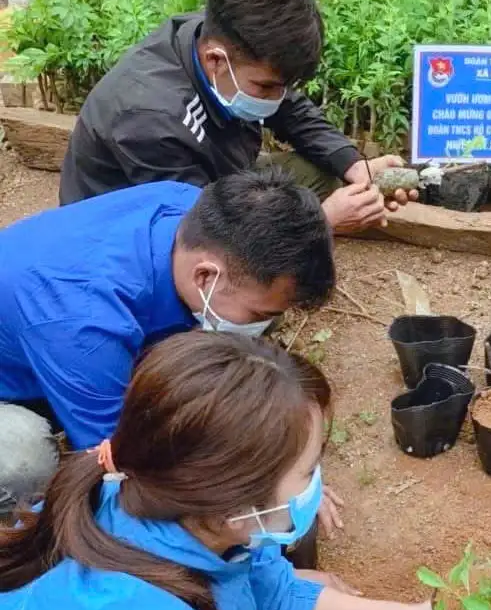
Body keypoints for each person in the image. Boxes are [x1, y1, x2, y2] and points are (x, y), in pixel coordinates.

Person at [0, 332, 491, 610]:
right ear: (234, 506)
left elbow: (269, 592)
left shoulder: (146, 496)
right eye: (309, 470)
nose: (319, 483)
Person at [0, 169, 342, 544]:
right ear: (205, 277)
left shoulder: (196, 211)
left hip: (52, 335)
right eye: (259, 315)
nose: (259, 327)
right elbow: (128, 462)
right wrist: (269, 487)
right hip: (21, 377)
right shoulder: (85, 328)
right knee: (23, 461)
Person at [58, 0, 416, 233]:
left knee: (325, 174)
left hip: (214, 180)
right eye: (266, 87)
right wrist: (323, 221)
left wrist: (355, 165)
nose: (278, 97)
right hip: (125, 234)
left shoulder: (225, 38)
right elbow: (202, 235)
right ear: (215, 60)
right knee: (251, 290)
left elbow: (289, 106)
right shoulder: (148, 118)